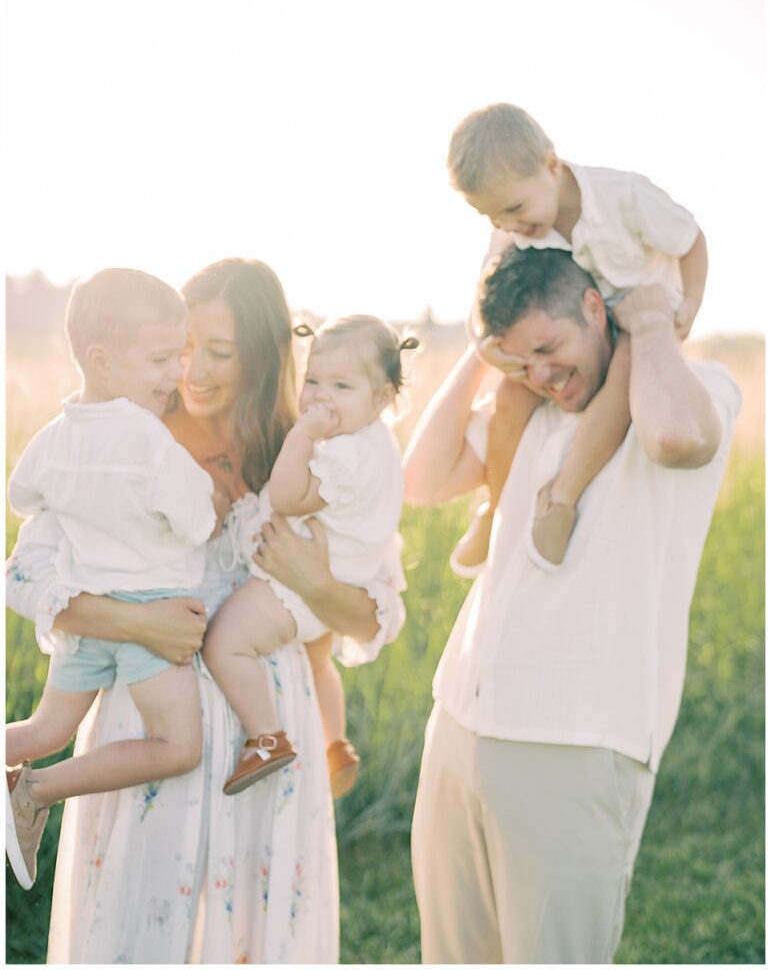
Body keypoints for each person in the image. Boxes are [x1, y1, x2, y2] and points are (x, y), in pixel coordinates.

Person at [5, 257, 406, 963]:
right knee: (141, 922)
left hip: (267, 734)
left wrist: (311, 583)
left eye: (217, 352)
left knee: (251, 931)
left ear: (260, 357)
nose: (191, 369)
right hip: (147, 722)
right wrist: (137, 624)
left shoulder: (307, 455)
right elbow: (31, 578)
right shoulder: (118, 441)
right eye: (181, 347)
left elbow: (370, 617)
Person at [403, 246, 740, 964]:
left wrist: (648, 322)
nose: (543, 377)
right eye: (520, 362)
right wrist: (479, 356)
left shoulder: (693, 390)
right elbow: (422, 478)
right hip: (459, 719)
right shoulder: (524, 409)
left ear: (595, 307)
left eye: (550, 350)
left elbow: (678, 438)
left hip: (577, 741)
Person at [5, 269, 227, 891]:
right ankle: (36, 789)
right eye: (160, 359)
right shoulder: (147, 438)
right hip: (148, 615)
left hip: (84, 609)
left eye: (177, 356)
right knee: (178, 745)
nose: (173, 374)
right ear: (101, 361)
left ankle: (21, 768)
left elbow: (23, 497)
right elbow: (196, 521)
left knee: (44, 729)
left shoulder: (51, 439)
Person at [446, 102, 709, 573]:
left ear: (552, 165)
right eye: (491, 218)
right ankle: (494, 507)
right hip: (578, 332)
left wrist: (689, 305)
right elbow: (483, 292)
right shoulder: (516, 227)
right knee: (509, 395)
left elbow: (691, 241)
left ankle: (563, 496)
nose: (507, 226)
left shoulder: (622, 196)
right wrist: (487, 346)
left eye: (514, 208)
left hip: (640, 318)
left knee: (627, 369)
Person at [202, 314, 416, 798]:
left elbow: (286, 497)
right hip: (343, 576)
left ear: (382, 399)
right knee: (320, 661)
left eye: (341, 385)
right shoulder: (378, 444)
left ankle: (265, 737)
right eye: (313, 380)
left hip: (296, 581)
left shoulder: (345, 453)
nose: (320, 396)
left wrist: (301, 434)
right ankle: (334, 742)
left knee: (226, 644)